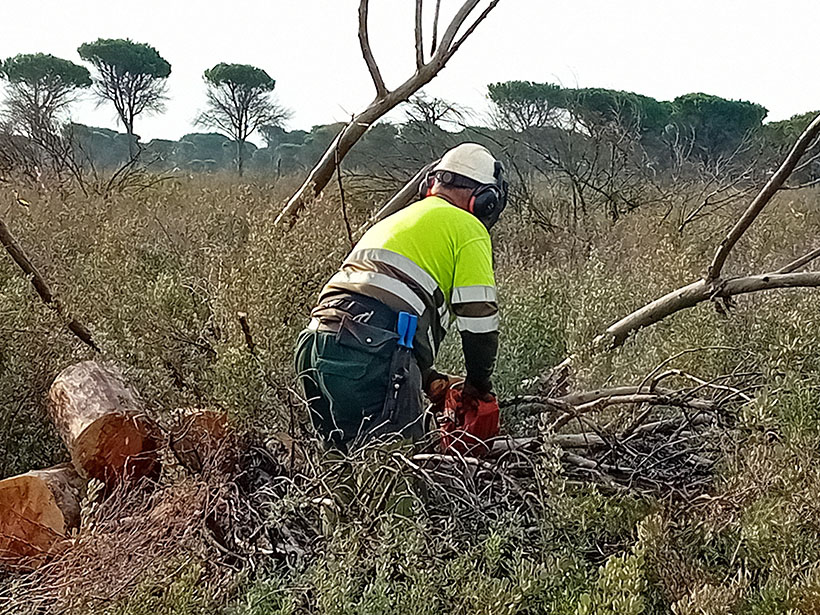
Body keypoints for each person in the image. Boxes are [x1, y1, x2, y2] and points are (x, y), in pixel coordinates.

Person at [294, 143, 508, 450]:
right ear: (485, 200)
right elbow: (479, 322)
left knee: (339, 468)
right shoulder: (469, 227)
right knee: (395, 472)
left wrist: (428, 377)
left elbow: (381, 311)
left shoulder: (397, 220)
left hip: (314, 344)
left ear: (432, 184)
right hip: (368, 352)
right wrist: (478, 384)